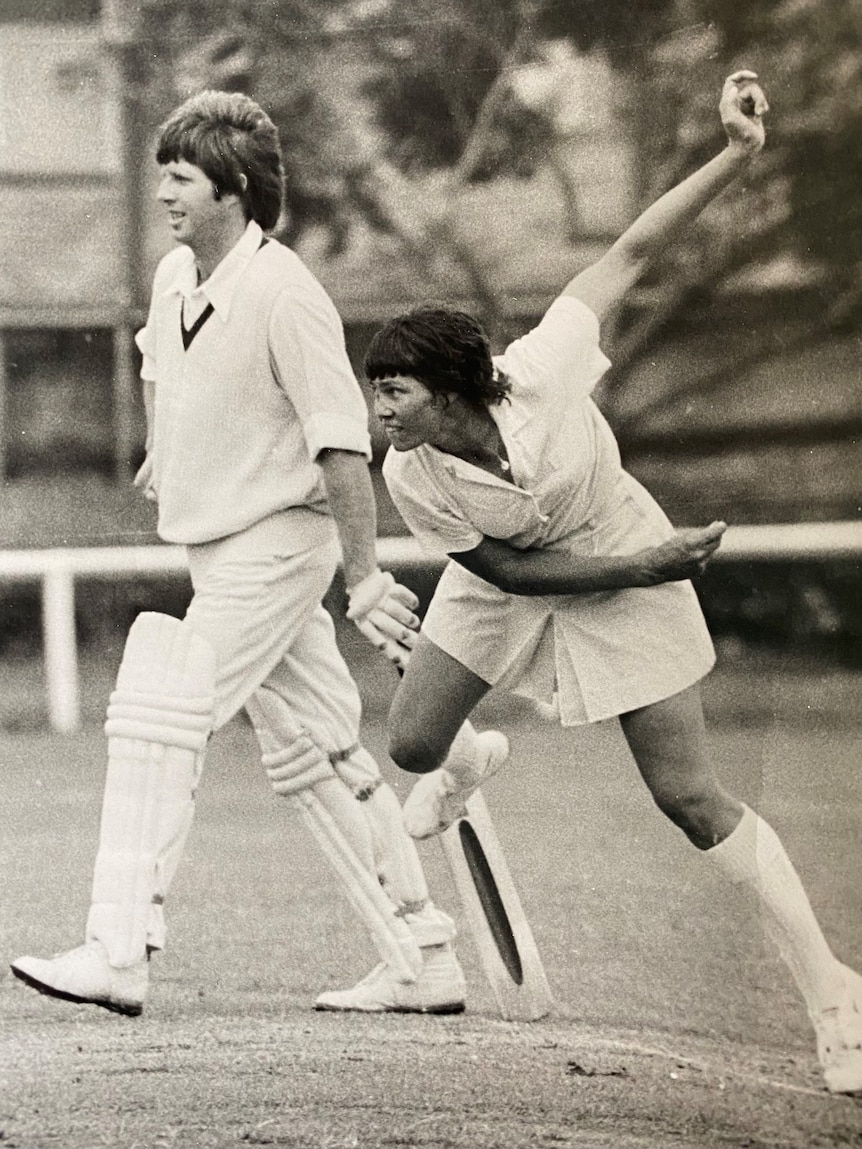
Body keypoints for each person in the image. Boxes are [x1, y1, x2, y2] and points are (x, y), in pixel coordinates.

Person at [361, 72, 862, 1092]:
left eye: (395, 392)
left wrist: (735, 154)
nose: (381, 410)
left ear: (452, 388)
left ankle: (834, 995)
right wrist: (648, 564)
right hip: (553, 569)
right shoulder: (408, 472)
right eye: (376, 393)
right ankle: (472, 758)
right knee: (413, 743)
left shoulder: (543, 367)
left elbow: (631, 249)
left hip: (617, 548)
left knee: (686, 797)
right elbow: (502, 569)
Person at [9, 89, 472, 1017]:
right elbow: (153, 360)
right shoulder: (176, 276)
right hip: (218, 546)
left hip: (282, 539)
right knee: (317, 745)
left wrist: (364, 570)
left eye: (181, 178)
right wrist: (159, 450)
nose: (165, 195)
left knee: (159, 704)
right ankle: (422, 952)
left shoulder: (285, 291)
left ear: (235, 188)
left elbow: (341, 439)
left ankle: (119, 947)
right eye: (164, 177)